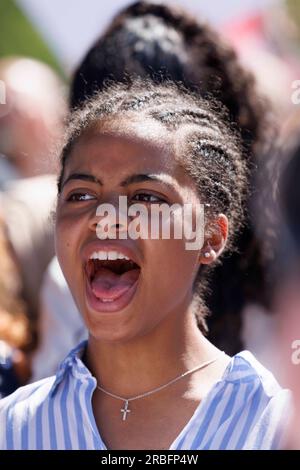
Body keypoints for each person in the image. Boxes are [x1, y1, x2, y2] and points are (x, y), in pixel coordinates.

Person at [0, 80, 290, 450]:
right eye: (82, 194)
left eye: (146, 197)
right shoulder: (13, 428)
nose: (106, 217)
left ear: (210, 237)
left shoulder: (272, 428)